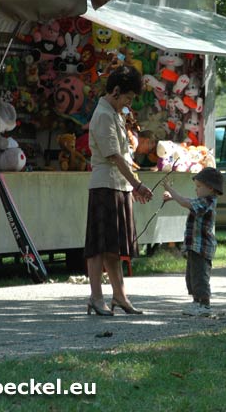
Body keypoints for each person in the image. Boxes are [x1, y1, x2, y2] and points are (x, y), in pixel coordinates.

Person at [84, 65, 154, 316]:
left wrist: (131, 184)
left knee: (113, 248)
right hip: (105, 185)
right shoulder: (103, 115)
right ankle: (95, 297)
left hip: (118, 186)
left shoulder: (114, 113)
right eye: (128, 97)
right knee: (98, 247)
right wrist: (137, 184)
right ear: (115, 91)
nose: (128, 103)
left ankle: (120, 297)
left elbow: (123, 155)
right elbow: (113, 155)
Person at [162, 167, 223, 316]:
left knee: (200, 276)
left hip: (202, 247)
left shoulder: (207, 202)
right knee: (192, 276)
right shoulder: (203, 200)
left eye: (199, 186)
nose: (196, 190)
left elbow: (185, 202)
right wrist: (172, 198)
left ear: (210, 188)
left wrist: (171, 190)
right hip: (195, 246)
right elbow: (188, 201)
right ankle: (197, 302)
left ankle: (204, 304)